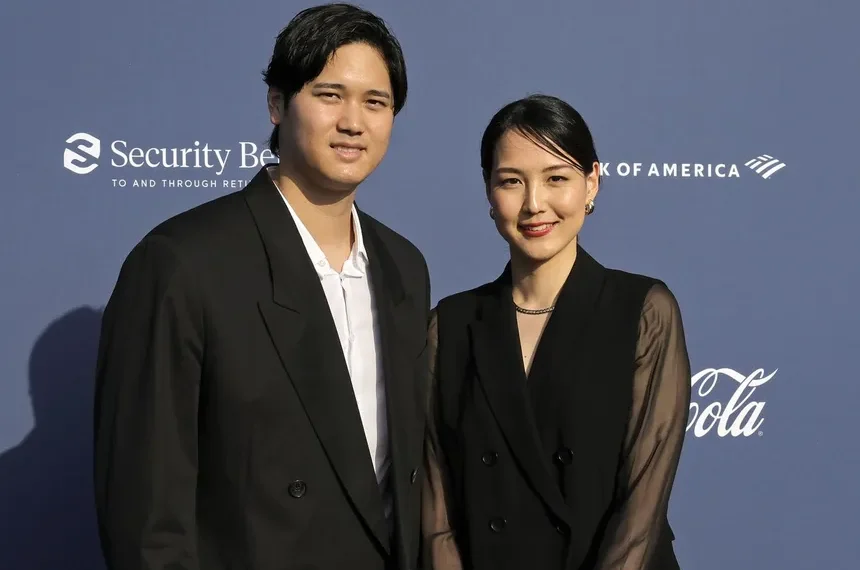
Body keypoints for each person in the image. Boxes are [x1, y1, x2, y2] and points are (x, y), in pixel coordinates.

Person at [93, 4, 431, 569]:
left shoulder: (403, 266)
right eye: (329, 95)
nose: (354, 121)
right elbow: (146, 514)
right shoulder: (182, 262)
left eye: (376, 102)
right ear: (277, 103)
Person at [421, 94, 691, 570]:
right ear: (488, 193)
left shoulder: (643, 309)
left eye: (556, 179)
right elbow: (435, 499)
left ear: (592, 183)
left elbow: (642, 506)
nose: (534, 204)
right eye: (511, 181)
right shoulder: (451, 323)